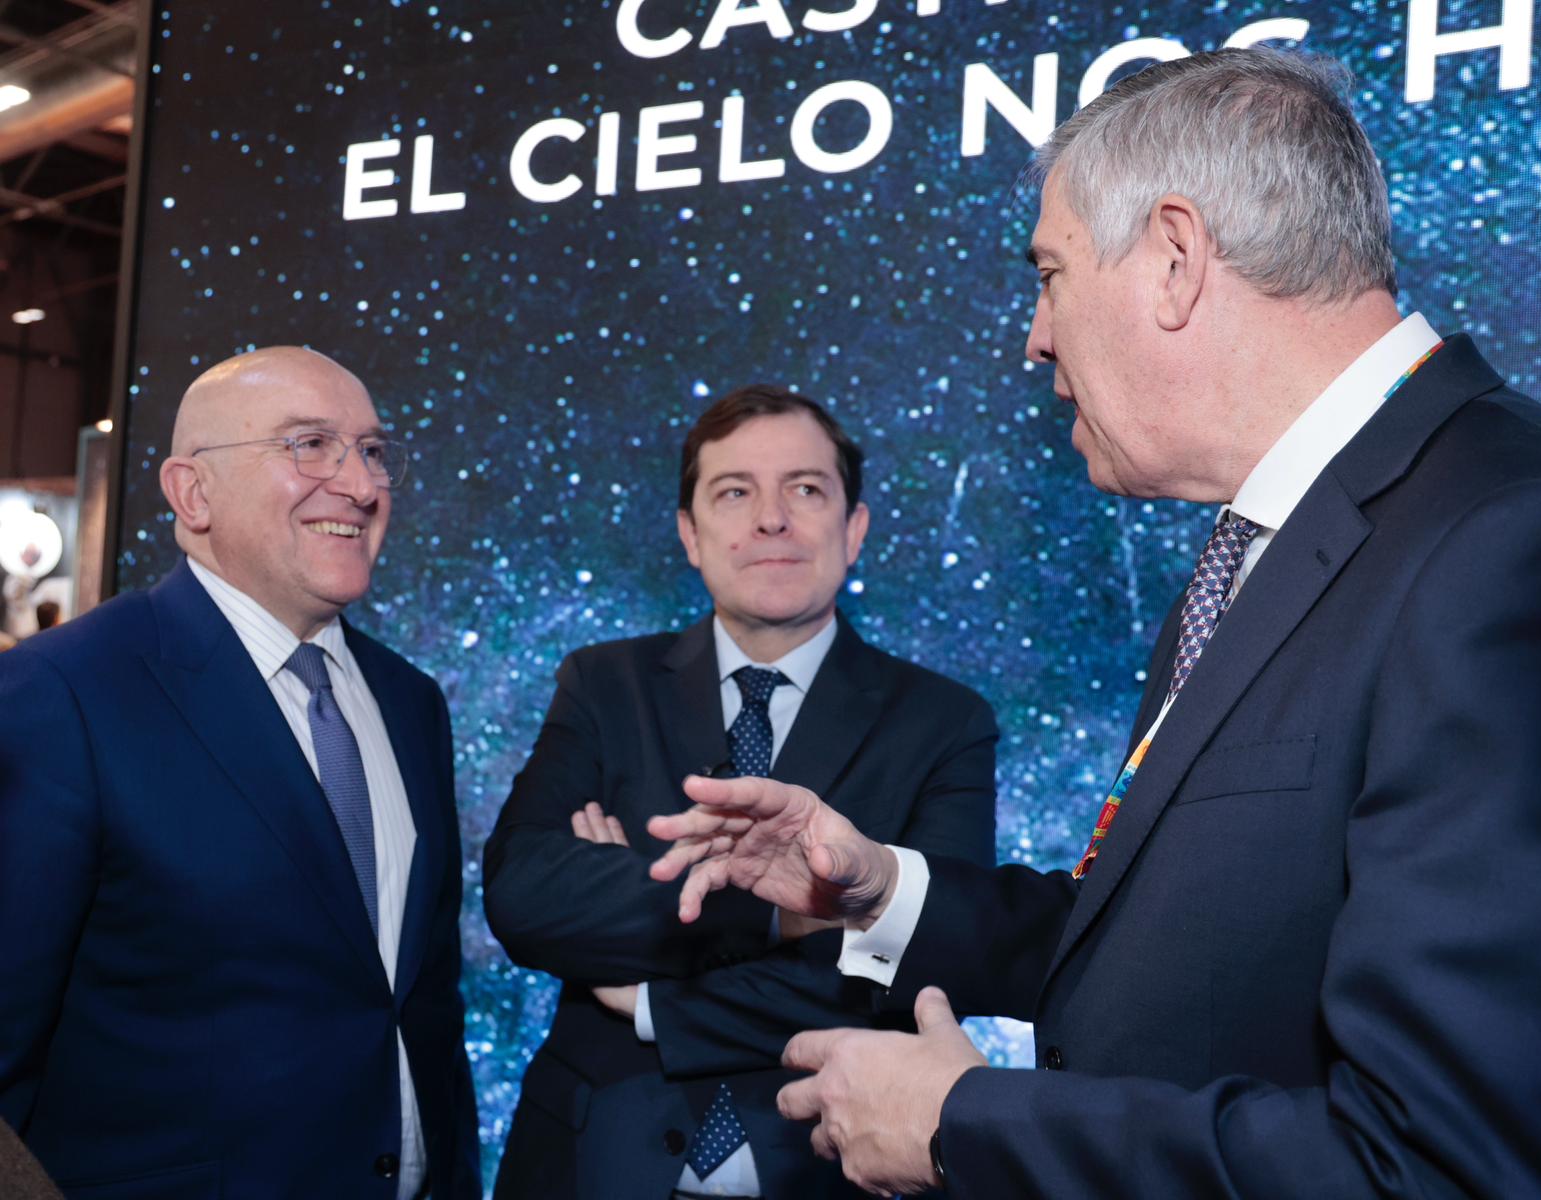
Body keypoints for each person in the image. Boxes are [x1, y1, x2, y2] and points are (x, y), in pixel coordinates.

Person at [647, 49, 1541, 1197]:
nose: (1034, 336)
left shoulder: (1515, 539)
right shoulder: (1268, 550)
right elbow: (1174, 939)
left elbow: (1447, 1165)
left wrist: (963, 1125)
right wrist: (879, 890)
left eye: (1049, 274)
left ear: (1174, 259)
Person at [483, 385, 997, 1197]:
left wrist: (648, 993)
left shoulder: (945, 722)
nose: (771, 520)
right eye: (734, 492)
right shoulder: (602, 685)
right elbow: (523, 896)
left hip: (824, 1171)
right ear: (690, 535)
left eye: (805, 489)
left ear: (854, 529)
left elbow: (924, 966)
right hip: (592, 1164)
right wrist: (793, 914)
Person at [0, 347, 480, 1198]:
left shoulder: (412, 703)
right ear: (193, 493)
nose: (360, 485)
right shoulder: (61, 693)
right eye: (310, 445)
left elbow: (424, 1004)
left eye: (372, 451)